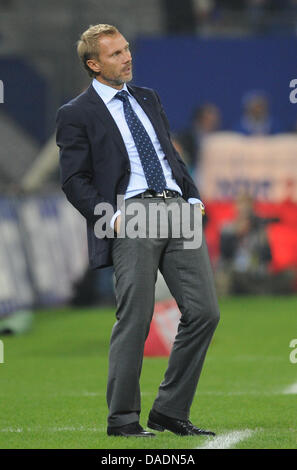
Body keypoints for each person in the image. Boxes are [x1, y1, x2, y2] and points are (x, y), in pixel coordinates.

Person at [56, 24, 220, 438]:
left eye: (126, 49)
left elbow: (169, 154)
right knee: (136, 318)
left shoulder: (148, 97)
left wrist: (193, 196)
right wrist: (109, 217)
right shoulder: (76, 113)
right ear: (94, 64)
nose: (127, 58)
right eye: (115, 54)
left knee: (204, 312)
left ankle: (169, 410)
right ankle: (123, 419)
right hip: (131, 213)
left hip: (177, 209)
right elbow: (75, 180)